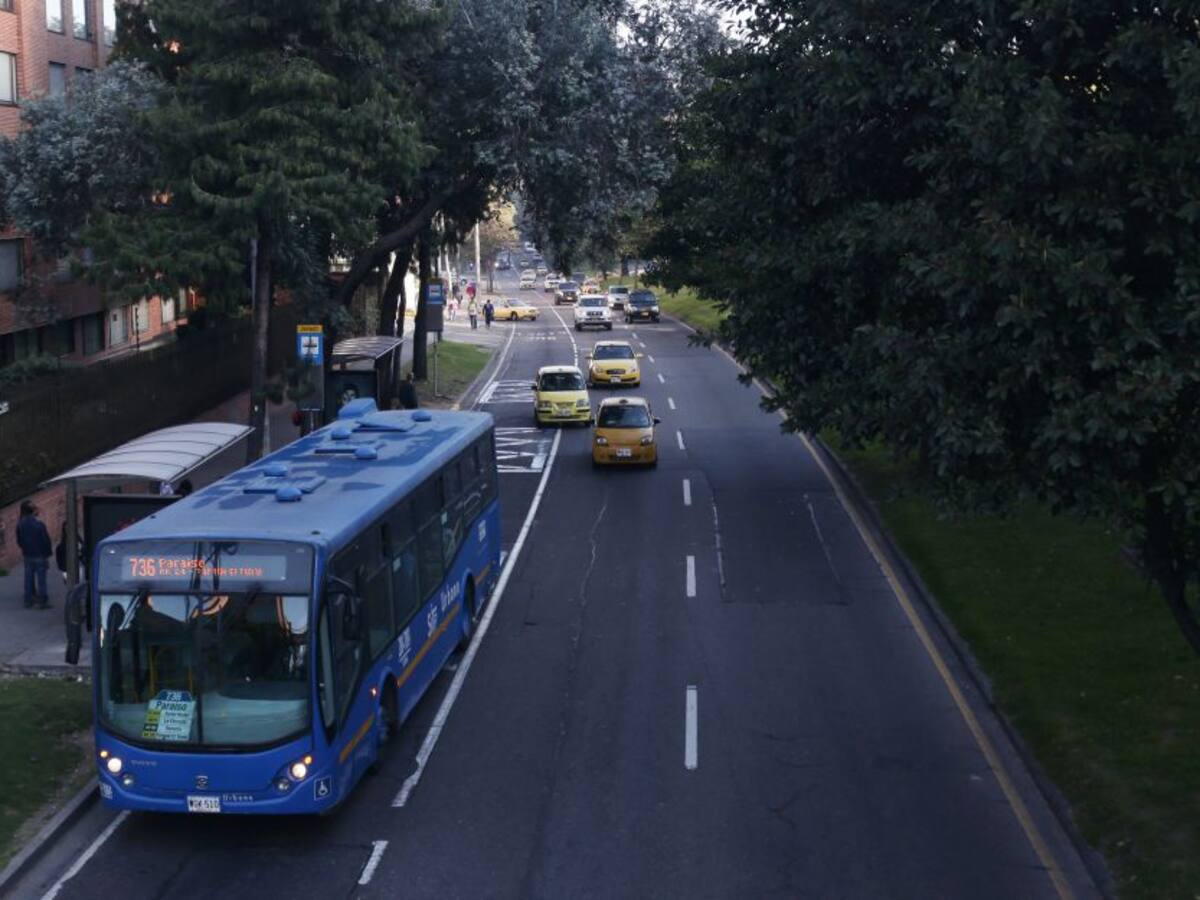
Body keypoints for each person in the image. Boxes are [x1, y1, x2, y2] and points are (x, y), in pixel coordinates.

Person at [16, 500, 52, 609]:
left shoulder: (20, 525)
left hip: (28, 555)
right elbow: (45, 540)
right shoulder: (39, 525)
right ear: (33, 511)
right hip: (40, 555)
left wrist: (25, 549)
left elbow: (19, 541)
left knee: (28, 578)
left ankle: (28, 600)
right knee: (41, 580)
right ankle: (42, 601)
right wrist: (47, 554)